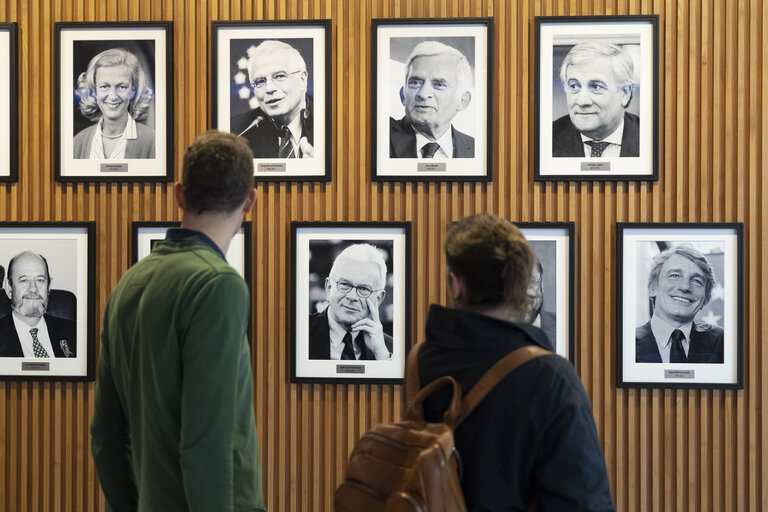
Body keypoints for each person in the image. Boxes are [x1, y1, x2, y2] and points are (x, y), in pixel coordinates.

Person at [90, 131, 265, 511]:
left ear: (180, 194)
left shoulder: (129, 283)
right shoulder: (218, 284)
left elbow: (105, 436)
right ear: (250, 201)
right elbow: (207, 442)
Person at [415, 213, 615, 511]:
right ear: (521, 287)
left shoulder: (420, 360)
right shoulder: (550, 376)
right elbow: (584, 502)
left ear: (456, 285)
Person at [636, 245, 724, 363]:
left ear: (705, 300)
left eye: (696, 281)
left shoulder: (725, 342)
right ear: (652, 287)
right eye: (674, 276)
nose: (685, 287)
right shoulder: (623, 341)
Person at [552, 41, 639, 158]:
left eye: (596, 87)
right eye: (574, 86)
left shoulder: (650, 138)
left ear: (625, 93)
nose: (582, 101)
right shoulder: (546, 138)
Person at [390, 41, 474, 159]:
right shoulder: (378, 133)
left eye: (439, 84)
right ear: (403, 95)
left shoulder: (477, 150)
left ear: (462, 101)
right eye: (415, 83)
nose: (423, 94)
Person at [231, 40, 314, 159]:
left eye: (280, 76)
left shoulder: (330, 120)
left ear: (303, 79)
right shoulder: (236, 132)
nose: (269, 89)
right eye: (260, 81)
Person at [309, 243, 393, 360]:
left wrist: (382, 357)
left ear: (378, 299)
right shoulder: (298, 332)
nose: (352, 297)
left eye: (364, 289)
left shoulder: (388, 350)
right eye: (345, 284)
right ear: (329, 287)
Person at [73, 47, 156, 159]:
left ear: (133, 90)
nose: (113, 96)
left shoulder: (153, 141)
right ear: (94, 91)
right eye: (104, 87)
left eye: (122, 87)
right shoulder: (78, 142)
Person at [0, 252, 77, 358]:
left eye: (40, 280)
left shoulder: (74, 332)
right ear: (9, 289)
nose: (33, 289)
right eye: (24, 280)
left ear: (48, 287)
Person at [528, 258, 557, 349]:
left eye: (531, 282)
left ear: (542, 286)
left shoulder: (564, 327)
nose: (525, 292)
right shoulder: (495, 332)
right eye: (517, 285)